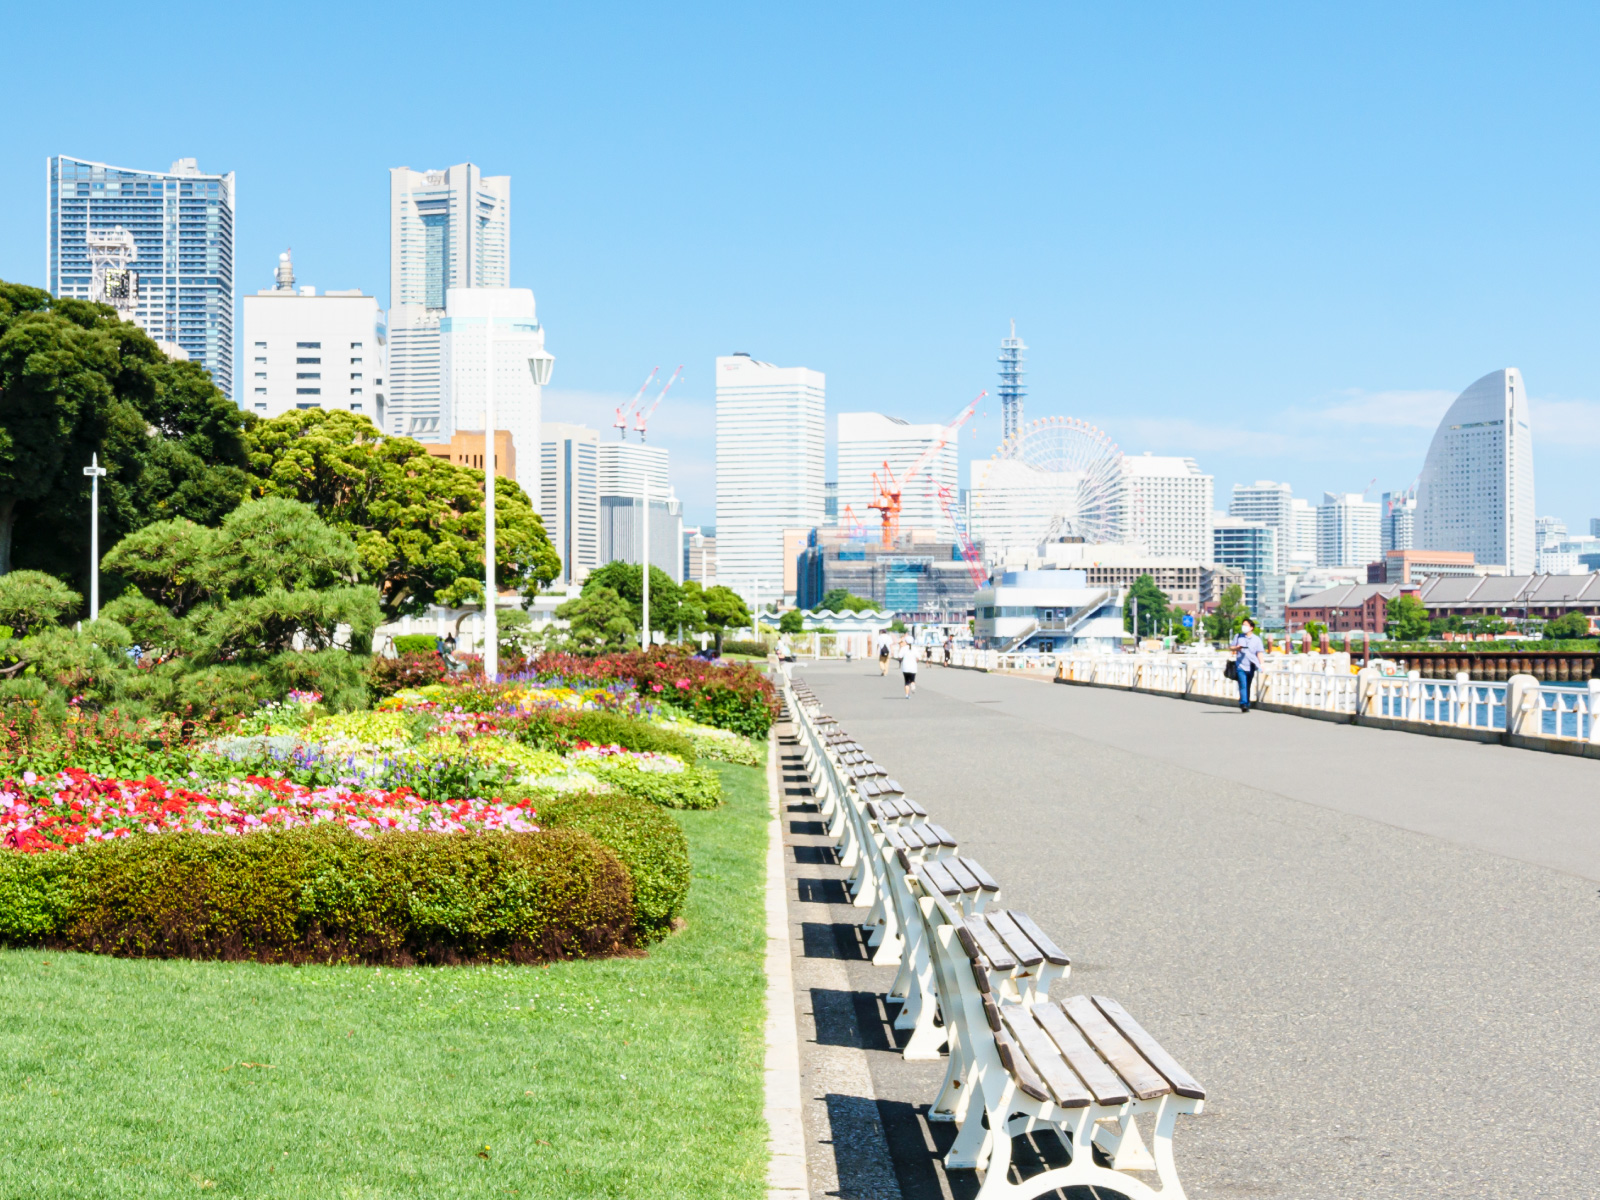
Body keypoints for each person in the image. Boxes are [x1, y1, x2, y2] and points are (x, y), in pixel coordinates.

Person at [1231, 617, 1264, 712]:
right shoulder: (1238, 636)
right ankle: (1243, 703)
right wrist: (1237, 648)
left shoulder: (1256, 639)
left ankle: (1247, 703)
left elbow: (1259, 652)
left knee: (1248, 684)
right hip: (1240, 665)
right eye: (1243, 625)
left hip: (1252, 665)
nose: (1243, 627)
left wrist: (1261, 664)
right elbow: (1231, 647)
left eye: (1246, 625)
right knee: (1243, 684)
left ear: (1251, 627)